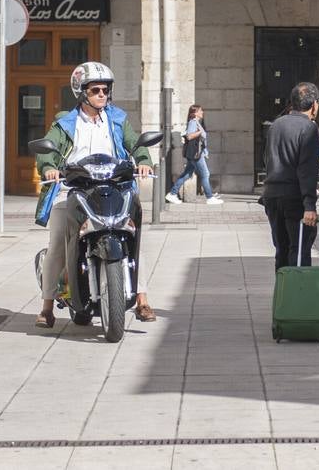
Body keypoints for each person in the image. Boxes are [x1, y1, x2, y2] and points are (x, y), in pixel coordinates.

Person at [35, 61, 157, 327]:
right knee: (58, 241)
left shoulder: (118, 118)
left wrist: (143, 160)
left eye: (105, 89)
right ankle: (46, 307)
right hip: (73, 188)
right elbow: (47, 150)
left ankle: (142, 300)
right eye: (95, 90)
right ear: (81, 92)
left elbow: (134, 145)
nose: (102, 94)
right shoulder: (65, 122)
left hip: (112, 186)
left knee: (133, 234)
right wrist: (48, 168)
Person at [261, 82, 319, 271]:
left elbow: (267, 159)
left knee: (282, 249)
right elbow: (307, 168)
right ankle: (300, 296)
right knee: (300, 250)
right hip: (294, 198)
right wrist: (309, 205)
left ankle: (283, 295)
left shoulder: (275, 125)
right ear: (314, 105)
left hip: (272, 195)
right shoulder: (309, 128)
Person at [166, 104, 224, 205]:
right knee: (205, 174)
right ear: (195, 112)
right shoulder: (193, 122)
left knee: (187, 174)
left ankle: (172, 193)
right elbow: (189, 136)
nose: (202, 112)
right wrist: (199, 133)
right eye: (200, 111)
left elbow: (201, 141)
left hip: (196, 153)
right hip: (196, 154)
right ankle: (209, 197)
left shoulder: (197, 122)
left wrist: (205, 151)